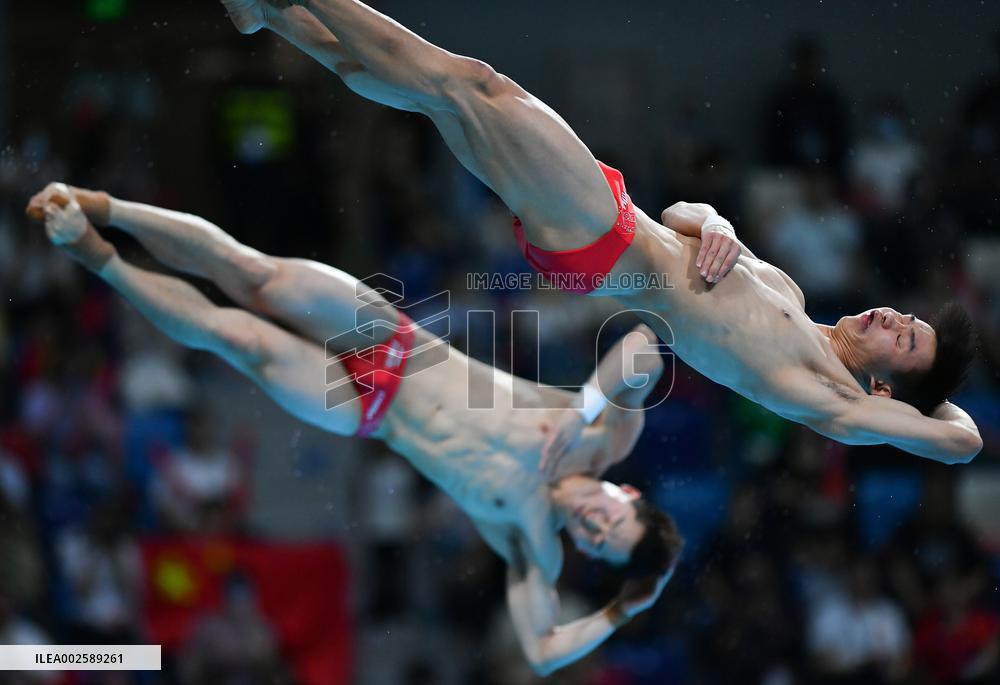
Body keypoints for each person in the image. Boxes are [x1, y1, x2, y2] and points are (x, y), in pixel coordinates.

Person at [219, 0, 982, 467]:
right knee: (441, 103)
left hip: (602, 240)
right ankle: (276, 17)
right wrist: (713, 219)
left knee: (470, 82)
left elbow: (964, 438)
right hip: (618, 219)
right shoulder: (791, 295)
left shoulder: (825, 398)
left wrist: (926, 391)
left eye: (906, 340)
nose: (895, 317)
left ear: (884, 388)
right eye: (911, 318)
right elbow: (685, 216)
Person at [27, 183, 682, 676]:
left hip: (367, 412)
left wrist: (625, 606)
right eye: (611, 521)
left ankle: (98, 255)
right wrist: (582, 408)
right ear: (627, 495)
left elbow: (541, 652)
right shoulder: (608, 439)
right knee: (253, 274)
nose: (594, 528)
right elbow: (647, 347)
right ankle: (104, 205)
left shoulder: (533, 539)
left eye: (601, 546)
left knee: (234, 337)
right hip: (402, 345)